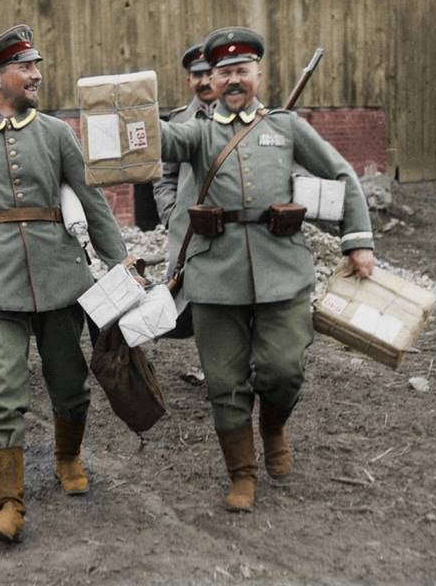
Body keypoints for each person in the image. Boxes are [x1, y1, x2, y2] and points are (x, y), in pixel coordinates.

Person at [160, 26, 375, 513]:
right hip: (215, 275)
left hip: (283, 271)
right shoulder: (198, 132)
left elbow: (341, 173)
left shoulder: (285, 127)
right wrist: (123, 109)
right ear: (211, 81)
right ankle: (242, 473)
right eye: (224, 73)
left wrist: (358, 241)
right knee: (224, 381)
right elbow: (160, 140)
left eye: (242, 70)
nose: (233, 80)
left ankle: (274, 427)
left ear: (257, 74)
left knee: (283, 369)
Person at [0, 25, 134, 544]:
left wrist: (119, 262)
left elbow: (91, 200)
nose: (36, 75)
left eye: (37, 66)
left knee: (69, 382)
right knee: (2, 393)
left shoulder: (57, 133)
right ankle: (9, 505)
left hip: (60, 278)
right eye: (25, 68)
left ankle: (68, 457)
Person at [152, 42, 216, 338]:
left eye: (210, 74)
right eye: (197, 75)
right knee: (186, 303)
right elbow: (164, 177)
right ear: (189, 80)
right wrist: (171, 216)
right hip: (189, 231)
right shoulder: (178, 121)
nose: (204, 81)